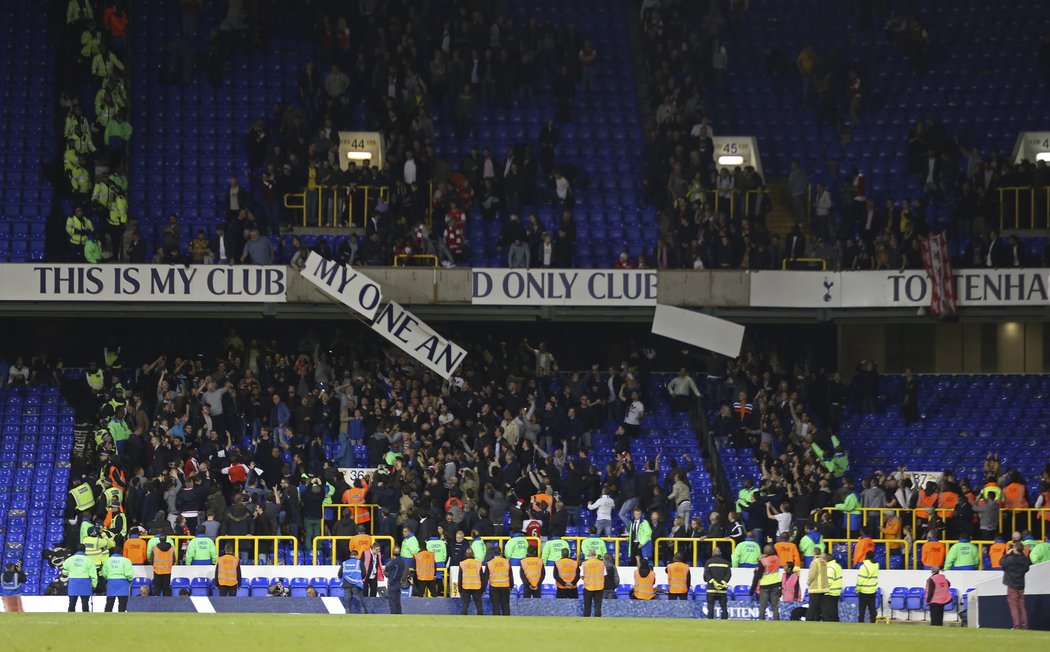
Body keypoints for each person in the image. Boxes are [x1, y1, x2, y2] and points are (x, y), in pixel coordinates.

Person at [1000, 542, 1031, 630]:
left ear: (1015, 549)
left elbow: (1001, 562)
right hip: (1021, 585)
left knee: (1014, 606)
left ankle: (1017, 626)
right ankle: (1024, 626)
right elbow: (1027, 567)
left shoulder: (1011, 559)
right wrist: (1023, 554)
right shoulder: (1024, 560)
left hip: (1012, 586)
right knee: (1021, 606)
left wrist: (1007, 553)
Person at [62, 544, 98, 612]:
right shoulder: (89, 560)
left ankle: (69, 620)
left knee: (72, 604)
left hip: (73, 583)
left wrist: (70, 572)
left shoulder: (69, 559)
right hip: (85, 583)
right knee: (85, 604)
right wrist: (94, 585)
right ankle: (86, 620)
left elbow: (64, 571)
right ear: (85, 550)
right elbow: (93, 575)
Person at [751, 545, 782, 620]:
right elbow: (775, 551)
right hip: (775, 584)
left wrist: (752, 589)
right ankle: (777, 621)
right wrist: (770, 542)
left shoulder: (763, 562)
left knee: (763, 606)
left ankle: (761, 620)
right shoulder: (776, 558)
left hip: (765, 586)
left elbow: (757, 576)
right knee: (775, 605)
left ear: (764, 552)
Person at [704, 546, 731, 619]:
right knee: (724, 608)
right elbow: (728, 574)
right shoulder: (726, 563)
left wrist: (714, 582)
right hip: (722, 590)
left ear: (713, 553)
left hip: (711, 589)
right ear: (720, 553)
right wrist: (722, 583)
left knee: (710, 608)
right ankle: (725, 622)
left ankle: (710, 622)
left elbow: (706, 574)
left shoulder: (708, 562)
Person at [339, 546, 367, 613]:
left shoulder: (344, 563)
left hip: (346, 585)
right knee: (360, 603)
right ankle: (364, 617)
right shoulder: (359, 562)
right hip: (356, 585)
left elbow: (339, 574)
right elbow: (364, 573)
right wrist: (359, 578)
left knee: (348, 604)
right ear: (357, 555)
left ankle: (348, 617)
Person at [581, 549, 606, 617]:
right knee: (598, 607)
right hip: (599, 587)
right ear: (595, 554)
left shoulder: (584, 564)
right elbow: (604, 575)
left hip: (588, 587)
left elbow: (582, 576)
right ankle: (597, 621)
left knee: (587, 606)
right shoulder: (601, 563)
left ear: (589, 555)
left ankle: (586, 621)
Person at [459, 549, 485, 615]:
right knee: (479, 605)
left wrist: (460, 589)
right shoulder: (478, 563)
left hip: (465, 586)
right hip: (477, 586)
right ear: (473, 554)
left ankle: (463, 619)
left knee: (465, 605)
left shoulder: (462, 563)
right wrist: (483, 588)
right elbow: (482, 577)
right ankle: (480, 618)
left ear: (466, 554)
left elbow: (460, 577)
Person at [383, 545, 408, 615]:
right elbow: (405, 572)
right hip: (399, 583)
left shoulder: (393, 561)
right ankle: (399, 613)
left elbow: (387, 569)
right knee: (397, 600)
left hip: (392, 583)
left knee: (392, 601)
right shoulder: (403, 562)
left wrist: (390, 577)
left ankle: (393, 614)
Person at [487, 548, 512, 616]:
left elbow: (485, 576)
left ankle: (496, 621)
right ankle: (507, 621)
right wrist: (511, 586)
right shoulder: (506, 562)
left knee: (495, 604)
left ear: (493, 553)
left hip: (494, 586)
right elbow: (510, 575)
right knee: (505, 604)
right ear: (500, 553)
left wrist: (483, 588)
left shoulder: (490, 563)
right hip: (505, 586)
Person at [856, 550, 879, 623]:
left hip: (864, 590)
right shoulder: (876, 565)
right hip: (872, 589)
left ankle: (861, 622)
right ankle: (873, 621)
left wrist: (857, 589)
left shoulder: (864, 566)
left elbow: (860, 579)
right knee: (872, 608)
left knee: (862, 609)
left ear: (866, 556)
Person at [806, 552, 828, 621]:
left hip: (815, 588)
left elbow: (812, 575)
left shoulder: (814, 562)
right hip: (823, 588)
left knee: (812, 607)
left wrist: (809, 582)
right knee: (820, 607)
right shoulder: (824, 562)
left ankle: (809, 620)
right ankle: (818, 620)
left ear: (814, 553)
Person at [824, 552, 843, 622]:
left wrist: (823, 589)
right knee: (834, 609)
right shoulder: (837, 566)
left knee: (830, 611)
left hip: (830, 591)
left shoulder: (830, 568)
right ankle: (836, 622)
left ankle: (831, 622)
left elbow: (829, 581)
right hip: (837, 591)